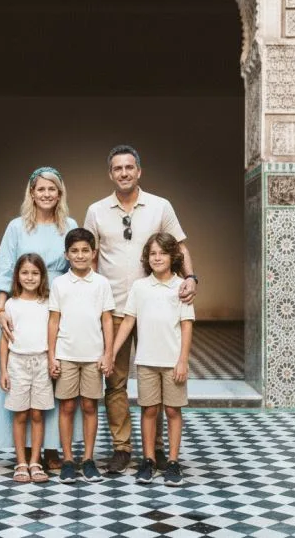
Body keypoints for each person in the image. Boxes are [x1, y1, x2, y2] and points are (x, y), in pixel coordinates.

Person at [84, 145, 198, 473]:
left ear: (139, 171)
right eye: (117, 168)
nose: (124, 173)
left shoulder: (160, 206)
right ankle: (122, 447)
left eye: (129, 167)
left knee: (160, 377)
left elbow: (179, 246)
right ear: (110, 174)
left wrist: (190, 277)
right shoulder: (96, 210)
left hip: (155, 310)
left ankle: (157, 450)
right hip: (113, 310)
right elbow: (89, 256)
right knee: (114, 381)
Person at [0, 166, 80, 468]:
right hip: (22, 309)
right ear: (32, 192)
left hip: (58, 308)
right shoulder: (17, 227)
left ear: (60, 192)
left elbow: (77, 268)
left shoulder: (69, 225)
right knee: (20, 381)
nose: (47, 194)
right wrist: (1, 310)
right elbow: (4, 268)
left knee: (54, 378)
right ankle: (25, 452)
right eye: (41, 189)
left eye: (52, 188)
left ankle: (53, 448)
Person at [105, 232, 194, 486]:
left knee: (173, 411)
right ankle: (148, 460)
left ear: (173, 256)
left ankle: (174, 462)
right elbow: (128, 320)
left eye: (162, 253)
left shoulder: (181, 288)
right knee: (149, 410)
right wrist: (111, 351)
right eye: (152, 253)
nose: (157, 258)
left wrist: (182, 361)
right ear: (147, 258)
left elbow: (187, 326)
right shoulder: (140, 287)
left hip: (172, 362)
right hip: (146, 362)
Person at [47, 228, 115, 483]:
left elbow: (107, 319)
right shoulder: (59, 284)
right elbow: (54, 321)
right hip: (66, 355)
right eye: (74, 251)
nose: (80, 255)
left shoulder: (101, 283)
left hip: (93, 357)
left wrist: (108, 353)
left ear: (93, 253)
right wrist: (52, 356)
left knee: (89, 406)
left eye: (85, 250)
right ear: (66, 255)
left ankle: (87, 459)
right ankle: (67, 459)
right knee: (66, 406)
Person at [0, 253, 54, 483]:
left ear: (42, 276)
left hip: (41, 362)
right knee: (20, 415)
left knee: (37, 414)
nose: (30, 278)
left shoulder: (48, 303)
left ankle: (35, 461)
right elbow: (5, 340)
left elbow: (53, 334)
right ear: (17, 276)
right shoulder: (10, 305)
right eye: (25, 273)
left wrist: (53, 360)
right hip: (18, 364)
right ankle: (21, 462)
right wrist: (3, 370)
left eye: (35, 273)